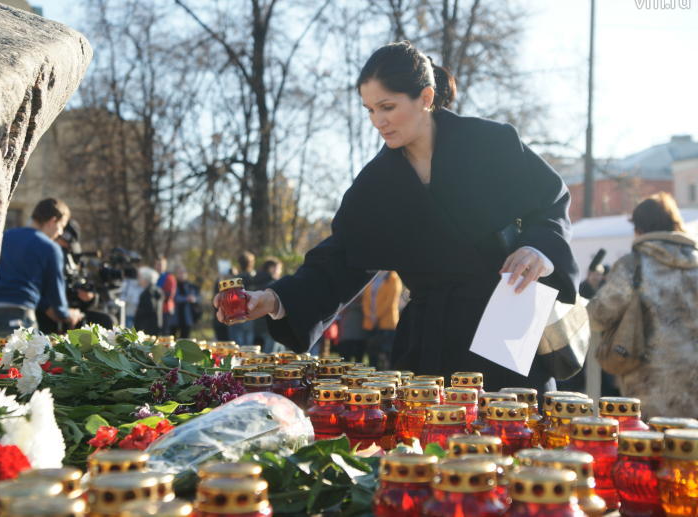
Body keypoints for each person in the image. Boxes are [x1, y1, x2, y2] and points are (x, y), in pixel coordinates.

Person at [214, 41, 578, 391]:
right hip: (429, 340)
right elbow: (340, 259)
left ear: (426, 98)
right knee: (431, 447)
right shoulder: (376, 183)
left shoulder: (490, 142)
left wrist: (538, 249)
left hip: (508, 319)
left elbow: (551, 202)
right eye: (370, 110)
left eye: (387, 107)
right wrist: (276, 299)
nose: (378, 121)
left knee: (518, 438)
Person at [588, 193, 698, 417]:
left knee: (649, 447)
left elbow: (597, 316)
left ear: (638, 228)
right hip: (694, 383)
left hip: (648, 385)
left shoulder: (633, 266)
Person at [0, 198, 83, 338]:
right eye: (61, 226)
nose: (60, 232)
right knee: (23, 359)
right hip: (18, 315)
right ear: (53, 221)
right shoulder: (51, 248)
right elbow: (58, 304)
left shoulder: (3, 237)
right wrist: (70, 314)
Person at [362, 271, 403, 370]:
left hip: (387, 324)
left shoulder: (393, 278)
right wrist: (369, 315)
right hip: (370, 323)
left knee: (386, 355)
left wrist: (377, 315)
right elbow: (365, 299)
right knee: (372, 356)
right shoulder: (372, 278)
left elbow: (391, 301)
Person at [251, 257, 285, 353]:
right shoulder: (274, 284)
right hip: (271, 324)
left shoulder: (257, 281)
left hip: (257, 323)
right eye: (279, 268)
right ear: (271, 268)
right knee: (271, 355)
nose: (280, 271)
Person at [228, 251, 257, 346]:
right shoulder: (255, 278)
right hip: (251, 313)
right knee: (248, 345)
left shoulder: (235, 279)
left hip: (236, 314)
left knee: (237, 345)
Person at [172, 266, 201, 339]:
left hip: (187, 318)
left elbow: (198, 297)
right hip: (174, 318)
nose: (181, 275)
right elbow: (174, 297)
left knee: (185, 340)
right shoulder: (173, 285)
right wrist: (186, 299)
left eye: (183, 273)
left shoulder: (191, 286)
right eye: (179, 273)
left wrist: (194, 299)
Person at [135, 266, 163, 336]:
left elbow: (150, 308)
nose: (138, 280)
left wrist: (138, 311)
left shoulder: (149, 292)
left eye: (140, 277)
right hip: (153, 326)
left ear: (145, 279)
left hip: (148, 328)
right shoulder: (154, 290)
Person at [155, 256, 177, 334]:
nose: (159, 267)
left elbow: (170, 294)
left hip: (165, 309)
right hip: (155, 310)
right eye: (157, 264)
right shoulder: (153, 277)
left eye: (160, 265)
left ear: (165, 266)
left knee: (165, 333)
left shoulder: (169, 278)